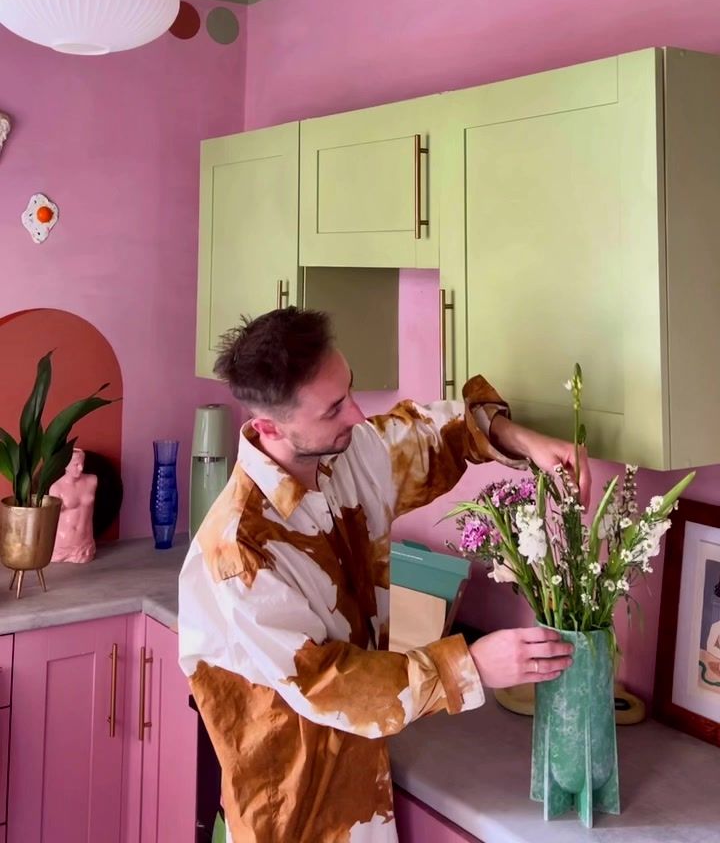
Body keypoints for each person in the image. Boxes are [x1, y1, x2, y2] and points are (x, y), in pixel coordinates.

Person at [179, 308, 591, 843]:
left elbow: (437, 434)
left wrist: (522, 439)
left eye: (348, 389)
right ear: (268, 428)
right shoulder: (240, 552)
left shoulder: (341, 456)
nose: (356, 414)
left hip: (365, 780)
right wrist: (469, 666)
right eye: (333, 408)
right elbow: (331, 684)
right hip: (295, 816)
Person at [49, 447, 97, 563]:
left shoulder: (92, 480)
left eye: (82, 463)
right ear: (65, 465)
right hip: (63, 543)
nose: (81, 468)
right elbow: (51, 518)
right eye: (76, 465)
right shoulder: (56, 488)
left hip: (85, 543)